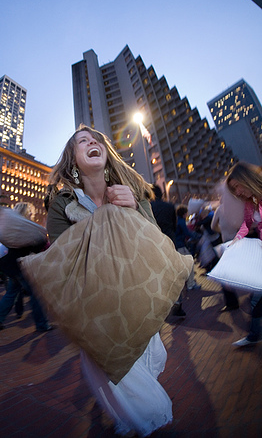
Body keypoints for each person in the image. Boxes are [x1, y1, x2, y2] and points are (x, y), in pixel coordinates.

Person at [46, 125, 174, 437]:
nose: (92, 142)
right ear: (73, 160)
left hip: (138, 292)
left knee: (148, 358)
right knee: (108, 366)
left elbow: (158, 242)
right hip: (97, 301)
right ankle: (141, 416)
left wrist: (132, 209)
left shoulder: (133, 189)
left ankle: (130, 413)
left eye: (96, 139)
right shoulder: (63, 202)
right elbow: (63, 258)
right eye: (82, 141)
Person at [0, 202, 52, 332]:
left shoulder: (12, 230)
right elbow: (39, 243)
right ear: (26, 213)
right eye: (30, 213)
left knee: (11, 293)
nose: (32, 215)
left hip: (13, 267)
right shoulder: (27, 230)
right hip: (24, 267)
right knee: (35, 295)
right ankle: (42, 324)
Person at [225, 161, 262, 347]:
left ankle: (254, 335)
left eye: (237, 186)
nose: (237, 192)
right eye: (234, 189)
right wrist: (236, 240)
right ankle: (254, 335)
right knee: (255, 302)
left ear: (246, 179)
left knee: (255, 303)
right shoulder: (251, 202)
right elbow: (247, 225)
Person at [150, 184, 186, 317]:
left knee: (157, 275)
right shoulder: (170, 206)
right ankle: (178, 303)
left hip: (155, 242)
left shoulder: (148, 207)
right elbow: (174, 225)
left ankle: (160, 307)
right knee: (173, 273)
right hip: (170, 241)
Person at [211, 183, 244, 312]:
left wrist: (222, 231)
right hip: (240, 243)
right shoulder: (239, 208)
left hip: (226, 245)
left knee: (224, 275)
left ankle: (232, 302)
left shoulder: (220, 209)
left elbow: (213, 226)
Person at [176, 205, 201, 290]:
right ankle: (191, 284)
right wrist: (196, 236)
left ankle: (186, 282)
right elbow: (187, 232)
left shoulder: (178, 220)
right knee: (190, 263)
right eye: (186, 212)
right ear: (184, 213)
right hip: (180, 245)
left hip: (177, 245)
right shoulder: (181, 221)